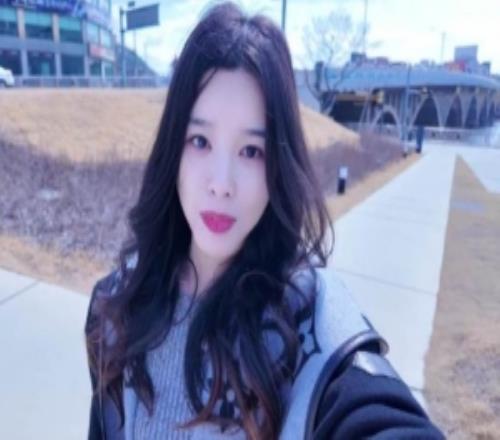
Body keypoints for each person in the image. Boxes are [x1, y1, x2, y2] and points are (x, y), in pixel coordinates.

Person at [84, 2, 445, 439]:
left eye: (251, 151)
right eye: (200, 141)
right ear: (173, 149)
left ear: (278, 164)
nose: (222, 184)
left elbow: (376, 416)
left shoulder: (307, 323)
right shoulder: (117, 306)